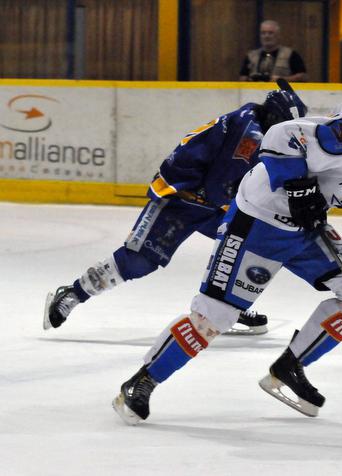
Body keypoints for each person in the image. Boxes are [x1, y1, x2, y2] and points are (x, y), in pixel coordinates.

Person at [111, 83, 342, 424]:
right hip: (257, 224)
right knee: (215, 316)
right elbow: (280, 136)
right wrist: (299, 187)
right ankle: (142, 381)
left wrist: (308, 198)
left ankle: (290, 367)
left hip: (302, 229)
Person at [44, 89, 308, 336]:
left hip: (209, 199)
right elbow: (222, 186)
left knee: (242, 246)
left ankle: (224, 308)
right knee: (139, 260)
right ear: (273, 118)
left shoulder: (254, 121)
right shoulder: (250, 137)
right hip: (182, 196)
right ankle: (72, 294)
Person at [239, 20, 308, 82]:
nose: (266, 36)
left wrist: (281, 80)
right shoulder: (251, 56)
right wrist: (250, 79)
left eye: (270, 33)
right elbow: (242, 77)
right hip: (255, 91)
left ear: (278, 35)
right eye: (263, 33)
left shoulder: (290, 54)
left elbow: (303, 77)